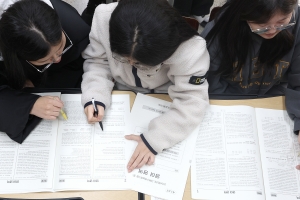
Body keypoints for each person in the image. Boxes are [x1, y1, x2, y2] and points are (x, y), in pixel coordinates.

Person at [81, 0, 209, 172]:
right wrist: (95, 95)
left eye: (142, 63)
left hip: (165, 96)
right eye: (124, 58)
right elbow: (98, 61)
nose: (131, 64)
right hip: (121, 92)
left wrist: (156, 138)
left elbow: (193, 99)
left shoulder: (190, 49)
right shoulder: (103, 18)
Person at [201, 0, 300, 168]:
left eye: (282, 22)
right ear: (244, 14)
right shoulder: (221, 31)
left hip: (275, 102)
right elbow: (208, 81)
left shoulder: (296, 24)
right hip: (228, 101)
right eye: (262, 25)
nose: (273, 31)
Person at [0, 0, 91, 143]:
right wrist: (30, 104)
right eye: (45, 59)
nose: (57, 59)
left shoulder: (72, 25)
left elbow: (77, 64)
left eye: (61, 47)